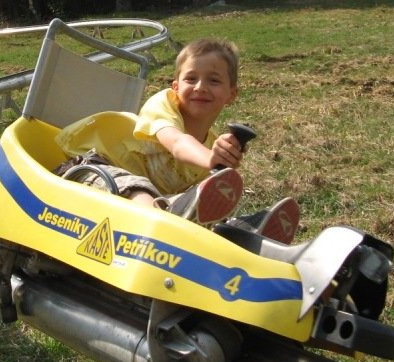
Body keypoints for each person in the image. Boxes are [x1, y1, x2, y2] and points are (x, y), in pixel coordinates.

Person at [54, 38, 299, 242]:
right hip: (89, 168)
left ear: (231, 94)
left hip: (153, 203)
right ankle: (173, 221)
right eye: (191, 79)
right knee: (139, 190)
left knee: (188, 204)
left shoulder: (209, 148)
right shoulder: (163, 106)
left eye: (213, 81)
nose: (201, 87)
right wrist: (212, 160)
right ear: (176, 87)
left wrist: (214, 167)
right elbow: (178, 143)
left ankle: (240, 235)